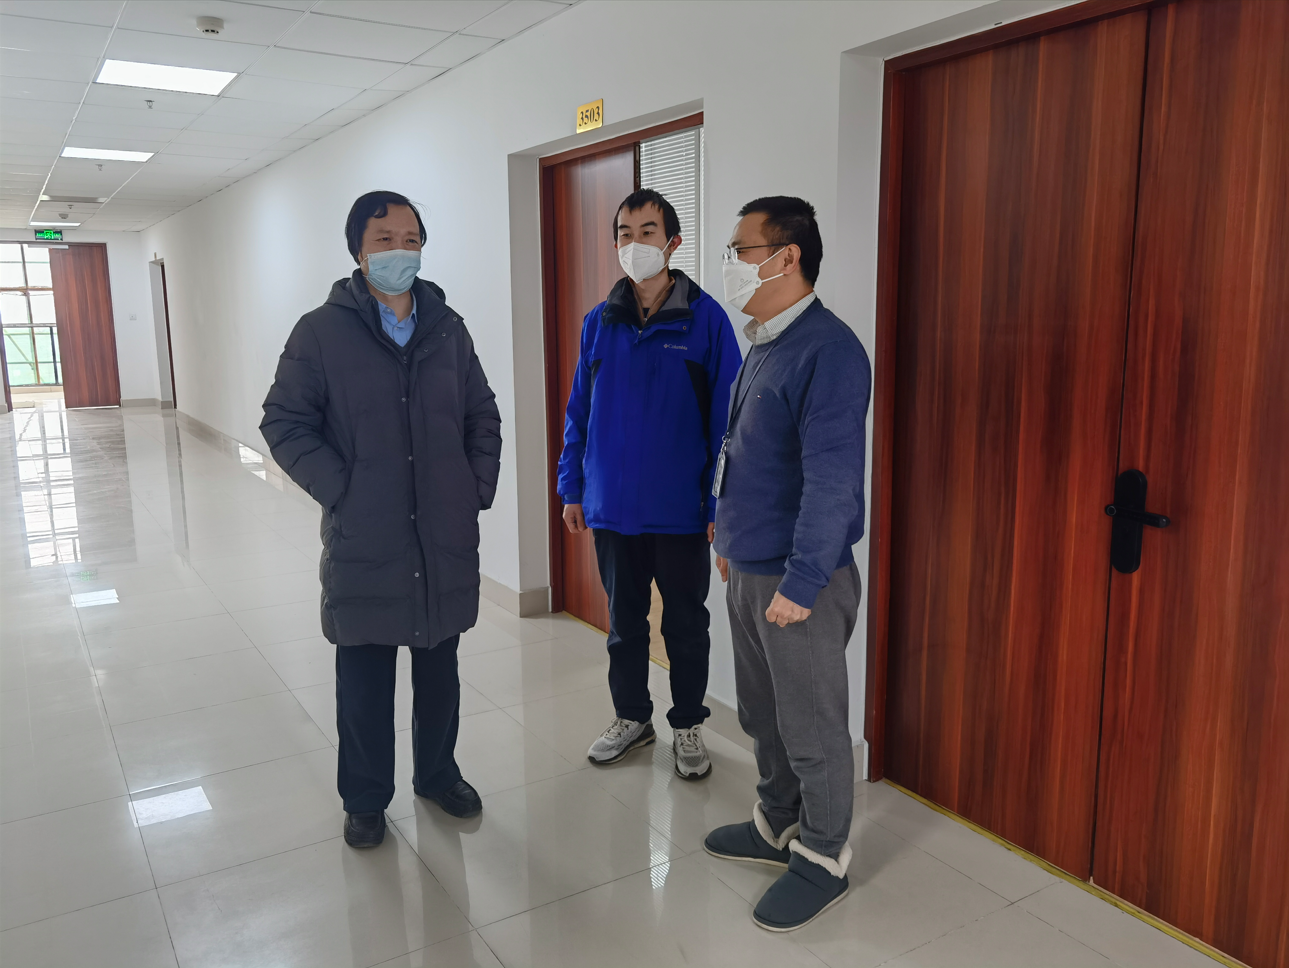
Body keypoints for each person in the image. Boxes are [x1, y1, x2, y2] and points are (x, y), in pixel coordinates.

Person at [261, 191, 501, 848]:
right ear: (358, 251)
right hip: (366, 535)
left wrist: (472, 487)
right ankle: (365, 799)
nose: (400, 251)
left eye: (411, 239)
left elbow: (480, 413)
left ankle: (438, 774)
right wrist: (343, 489)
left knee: (440, 671)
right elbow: (284, 421)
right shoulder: (320, 332)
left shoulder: (447, 328)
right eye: (385, 239)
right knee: (364, 679)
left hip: (442, 533)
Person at [703, 196, 871, 931]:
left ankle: (824, 856)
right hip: (749, 564)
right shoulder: (765, 341)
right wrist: (724, 534)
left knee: (811, 724)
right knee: (762, 711)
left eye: (740, 249)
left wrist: (803, 581)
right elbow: (743, 454)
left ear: (787, 257)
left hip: (799, 576)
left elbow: (833, 479)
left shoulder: (828, 351)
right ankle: (776, 822)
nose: (731, 263)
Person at [558, 188, 742, 779]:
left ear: (672, 242)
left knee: (686, 625)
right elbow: (579, 412)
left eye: (646, 232)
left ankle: (687, 725)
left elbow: (729, 424)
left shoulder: (706, 321)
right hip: (612, 506)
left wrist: (718, 505)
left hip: (680, 509)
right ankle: (632, 718)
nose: (634, 243)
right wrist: (572, 487)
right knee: (624, 623)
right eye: (624, 233)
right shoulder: (599, 322)